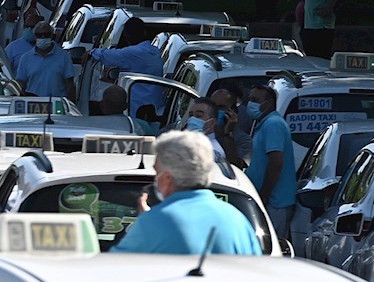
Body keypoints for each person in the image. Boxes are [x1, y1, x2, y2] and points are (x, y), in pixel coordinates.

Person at [115, 131, 262, 255]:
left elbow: (114, 266)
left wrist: (149, 220)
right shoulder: (237, 219)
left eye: (156, 171)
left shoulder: (154, 221)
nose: (155, 178)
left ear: (167, 178)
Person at [81, 19, 166, 123]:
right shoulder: (154, 51)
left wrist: (91, 52)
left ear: (126, 37)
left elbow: (109, 56)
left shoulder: (133, 53)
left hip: (136, 114)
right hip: (155, 112)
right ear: (144, 32)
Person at [245, 85, 298, 241]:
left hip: (275, 203)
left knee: (270, 245)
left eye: (255, 100)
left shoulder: (273, 124)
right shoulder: (263, 124)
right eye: (250, 99)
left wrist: (264, 194)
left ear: (268, 103)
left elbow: (276, 162)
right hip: (268, 201)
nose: (250, 104)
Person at [13, 24, 76, 99]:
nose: (43, 37)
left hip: (56, 102)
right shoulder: (26, 58)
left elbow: (70, 84)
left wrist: (71, 102)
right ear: (35, 37)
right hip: (33, 102)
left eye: (46, 35)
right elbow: (21, 83)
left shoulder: (64, 56)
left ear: (52, 36)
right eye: (39, 35)